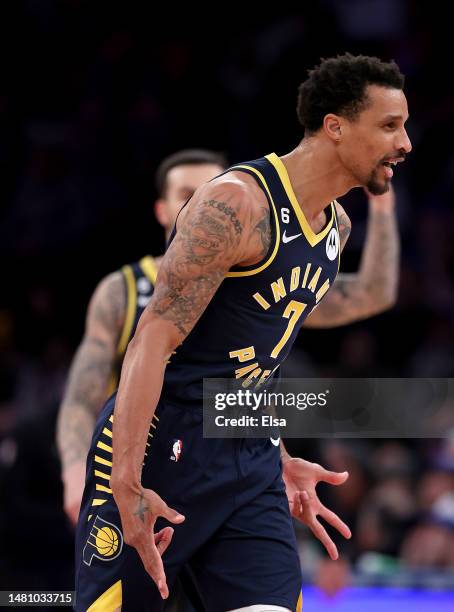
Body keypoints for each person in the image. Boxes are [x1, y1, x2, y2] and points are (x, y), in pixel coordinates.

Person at [74, 52, 411, 611]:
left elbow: (256, 356)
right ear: (336, 126)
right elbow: (151, 341)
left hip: (248, 454)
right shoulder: (237, 204)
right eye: (389, 125)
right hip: (164, 444)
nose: (405, 143)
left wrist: (275, 452)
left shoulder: (337, 225)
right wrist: (126, 480)